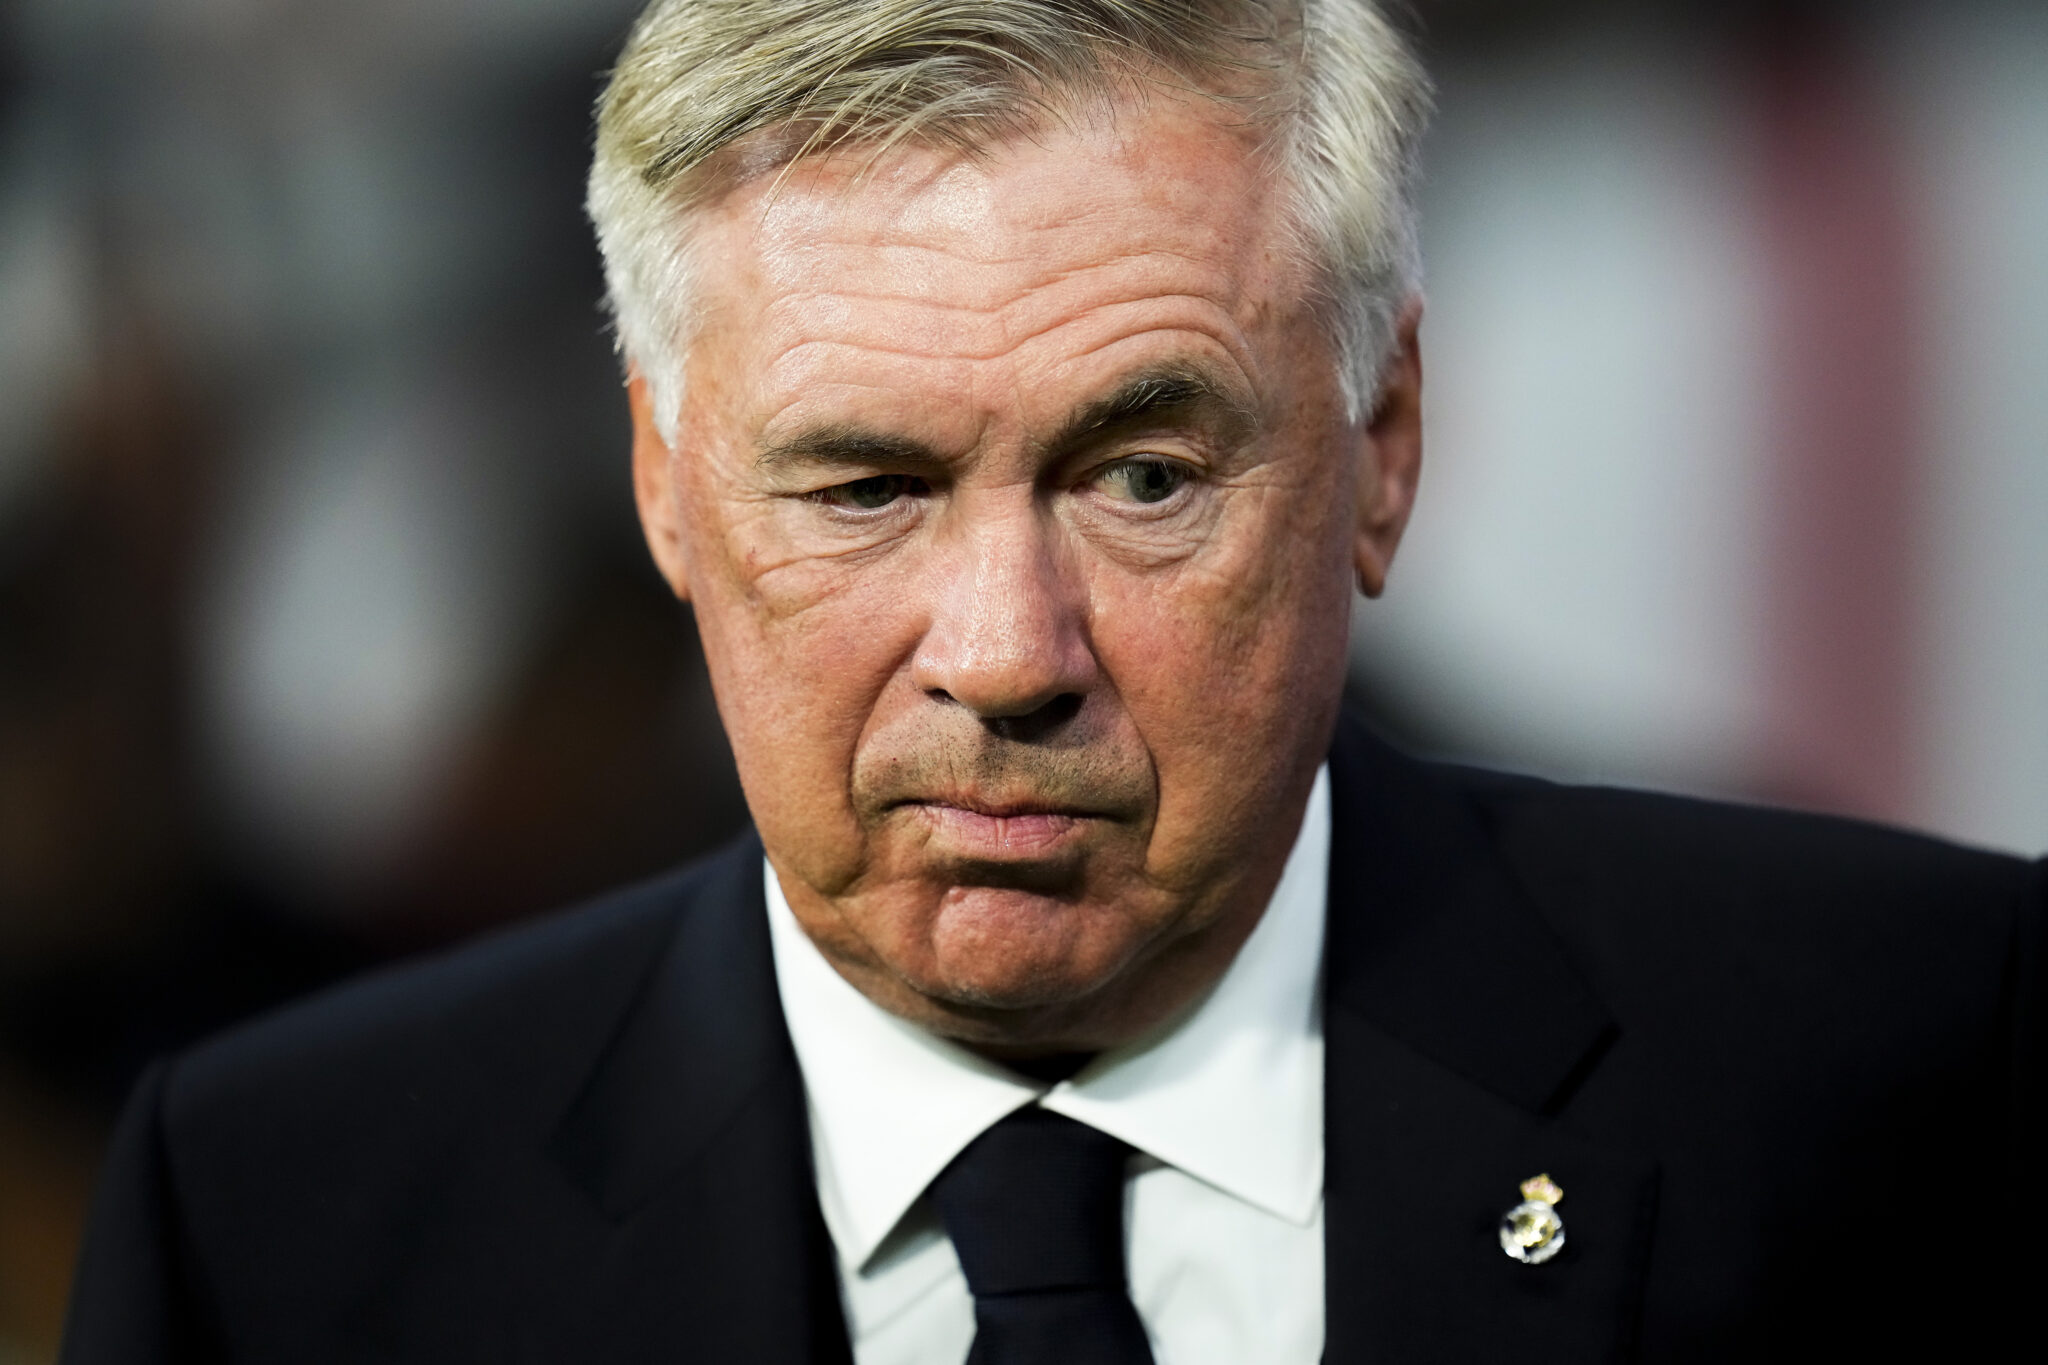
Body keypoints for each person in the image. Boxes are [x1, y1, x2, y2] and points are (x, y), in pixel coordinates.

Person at [60, 2, 2045, 1361]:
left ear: (1383, 447)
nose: (1007, 653)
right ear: (665, 485)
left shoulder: (1912, 1059)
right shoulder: (280, 1220)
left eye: (1144, 476)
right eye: (864, 487)